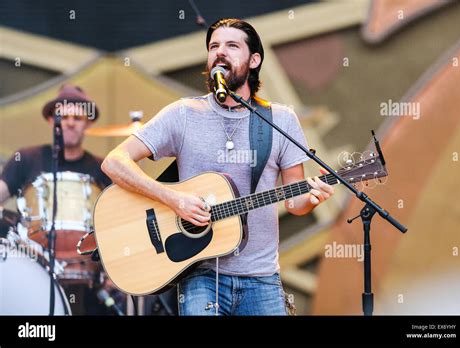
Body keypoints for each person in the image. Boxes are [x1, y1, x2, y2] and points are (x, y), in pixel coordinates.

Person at [101, 18, 335, 316]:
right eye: (214, 46)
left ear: (254, 60)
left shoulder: (280, 120)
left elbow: (295, 201)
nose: (219, 52)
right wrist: (173, 199)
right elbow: (115, 162)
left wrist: (313, 197)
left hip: (261, 278)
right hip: (201, 277)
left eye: (232, 45)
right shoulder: (184, 114)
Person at [0, 84, 117, 315]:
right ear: (51, 120)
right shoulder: (26, 158)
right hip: (33, 268)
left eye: (77, 116)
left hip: (90, 276)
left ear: (88, 123)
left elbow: (123, 220)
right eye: (63, 116)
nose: (70, 122)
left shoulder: (103, 167)